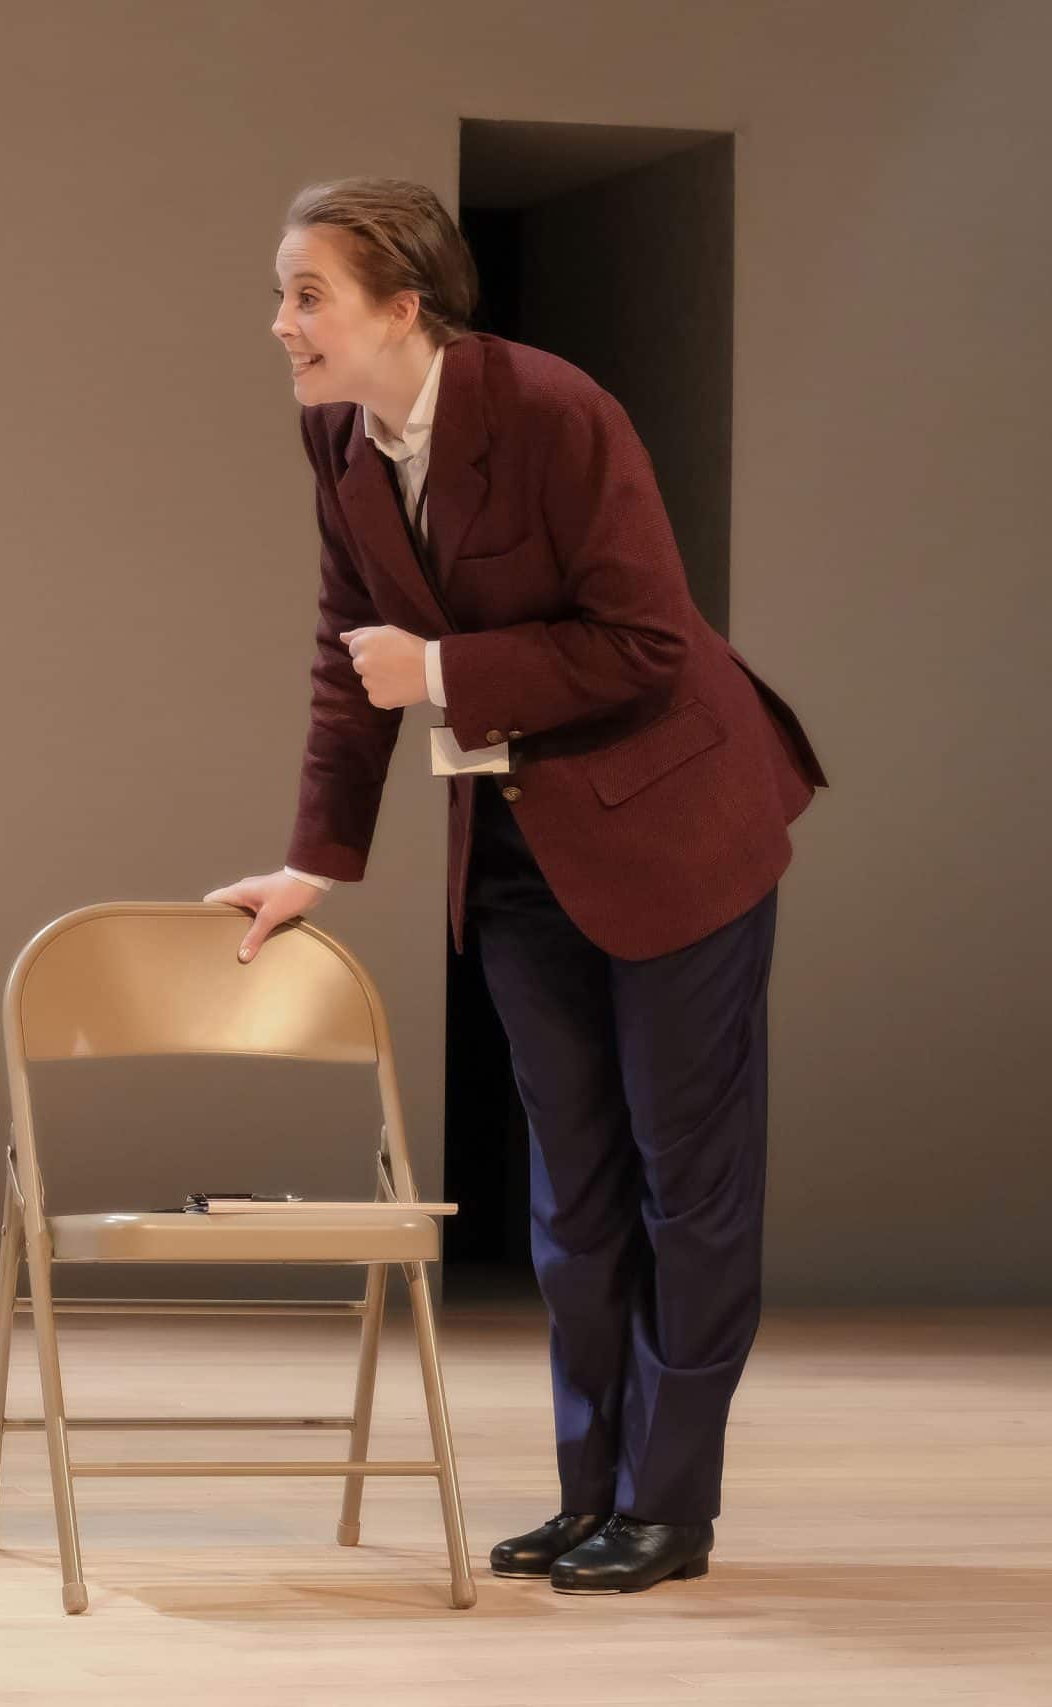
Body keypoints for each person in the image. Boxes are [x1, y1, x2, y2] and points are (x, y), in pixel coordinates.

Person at [205, 181, 828, 1594]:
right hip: (517, 843)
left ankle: (669, 1507)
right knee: (575, 1192)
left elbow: (646, 644)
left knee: (689, 1183)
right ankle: (590, 1493)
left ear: (403, 306)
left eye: (308, 294)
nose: (282, 323)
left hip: (679, 829)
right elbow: (346, 653)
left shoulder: (554, 410)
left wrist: (440, 670)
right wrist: (317, 859)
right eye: (283, 293)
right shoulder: (338, 436)